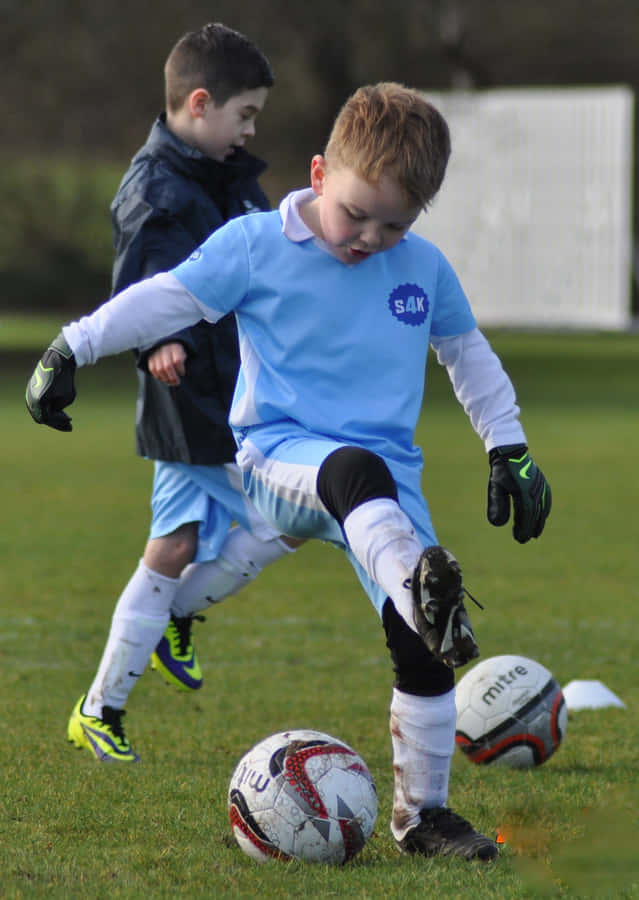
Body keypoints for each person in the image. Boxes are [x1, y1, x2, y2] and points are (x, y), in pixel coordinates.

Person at [27, 82, 552, 861]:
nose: (370, 237)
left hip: (383, 483)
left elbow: (467, 355)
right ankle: (423, 589)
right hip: (281, 456)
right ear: (316, 174)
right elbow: (163, 299)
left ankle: (423, 817)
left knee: (421, 651)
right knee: (356, 479)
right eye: (355, 213)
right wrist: (73, 346)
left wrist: (508, 447)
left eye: (395, 223)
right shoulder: (254, 245)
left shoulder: (424, 269)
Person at [55, 23, 304, 764]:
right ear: (200, 104)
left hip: (227, 394)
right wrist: (159, 339)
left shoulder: (226, 178)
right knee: (296, 516)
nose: (252, 128)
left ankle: (106, 701)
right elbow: (145, 282)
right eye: (246, 114)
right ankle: (105, 701)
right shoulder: (156, 189)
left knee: (179, 547)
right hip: (190, 397)